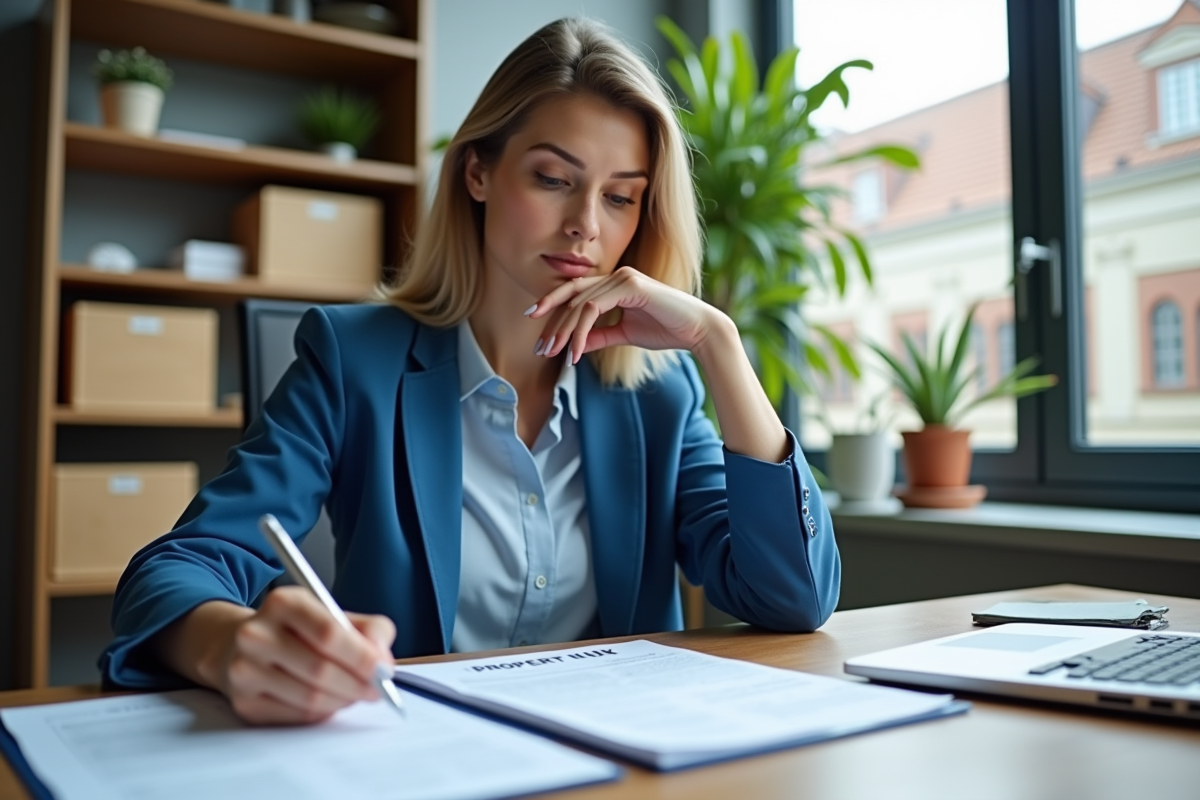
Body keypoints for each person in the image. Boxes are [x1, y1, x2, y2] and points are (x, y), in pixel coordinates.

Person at [100, 17, 840, 725]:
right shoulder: (353, 357)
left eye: (620, 197)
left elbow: (792, 598)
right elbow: (183, 565)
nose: (587, 222)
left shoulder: (658, 392)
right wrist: (233, 645)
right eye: (554, 178)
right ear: (478, 172)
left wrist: (717, 341)